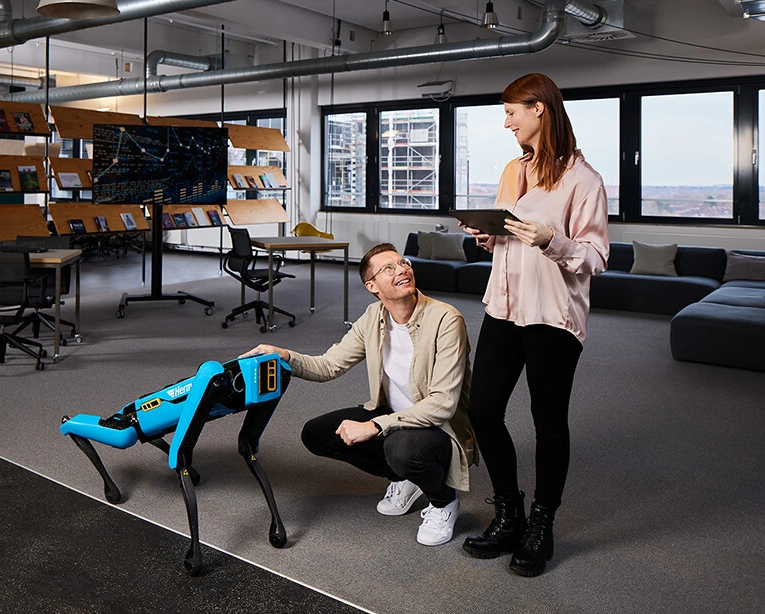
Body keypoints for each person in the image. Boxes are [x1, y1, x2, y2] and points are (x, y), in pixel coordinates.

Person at [458, 73, 609, 577]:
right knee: (483, 409)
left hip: (552, 314)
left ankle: (541, 525)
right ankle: (509, 513)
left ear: (539, 108)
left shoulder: (583, 180)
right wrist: (489, 237)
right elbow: (508, 237)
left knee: (548, 421)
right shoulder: (512, 170)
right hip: (503, 307)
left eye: (511, 113)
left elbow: (596, 257)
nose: (507, 123)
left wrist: (551, 240)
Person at [243, 243, 476, 547]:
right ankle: (404, 478)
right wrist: (284, 354)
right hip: (392, 414)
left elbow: (442, 404)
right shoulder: (373, 316)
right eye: (388, 268)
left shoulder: (446, 320)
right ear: (372, 286)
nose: (402, 270)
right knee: (316, 434)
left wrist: (375, 426)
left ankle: (444, 501)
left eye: (403, 263)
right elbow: (329, 365)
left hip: (438, 427)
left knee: (400, 449)